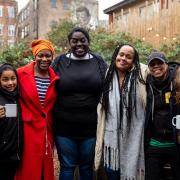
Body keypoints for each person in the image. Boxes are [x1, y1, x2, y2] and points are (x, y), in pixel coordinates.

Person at [51, 27, 107, 180]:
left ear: (88, 41)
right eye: (74, 41)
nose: (79, 44)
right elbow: (46, 85)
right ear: (69, 43)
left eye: (83, 40)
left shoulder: (98, 61)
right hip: (64, 126)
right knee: (67, 166)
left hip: (90, 126)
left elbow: (109, 87)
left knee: (86, 166)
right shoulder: (59, 62)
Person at [94, 44, 147, 180]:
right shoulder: (108, 74)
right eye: (121, 54)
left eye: (128, 57)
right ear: (116, 55)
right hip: (111, 139)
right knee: (111, 171)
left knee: (131, 171)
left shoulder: (142, 74)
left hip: (134, 136)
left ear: (133, 61)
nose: (123, 58)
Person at [15, 39, 59, 180]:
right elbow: (9, 96)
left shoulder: (55, 78)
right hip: (27, 128)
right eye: (40, 55)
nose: (44, 59)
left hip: (46, 130)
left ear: (52, 57)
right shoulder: (20, 74)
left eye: (48, 55)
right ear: (35, 56)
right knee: (28, 167)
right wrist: (5, 112)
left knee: (45, 168)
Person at [144, 52, 180, 180]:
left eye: (159, 63)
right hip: (155, 143)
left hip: (176, 143)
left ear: (166, 64)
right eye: (152, 64)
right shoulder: (146, 84)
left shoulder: (177, 80)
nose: (156, 66)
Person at [0, 63, 23, 180]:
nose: (10, 83)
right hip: (3, 155)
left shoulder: (18, 97)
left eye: (13, 78)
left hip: (15, 154)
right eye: (5, 79)